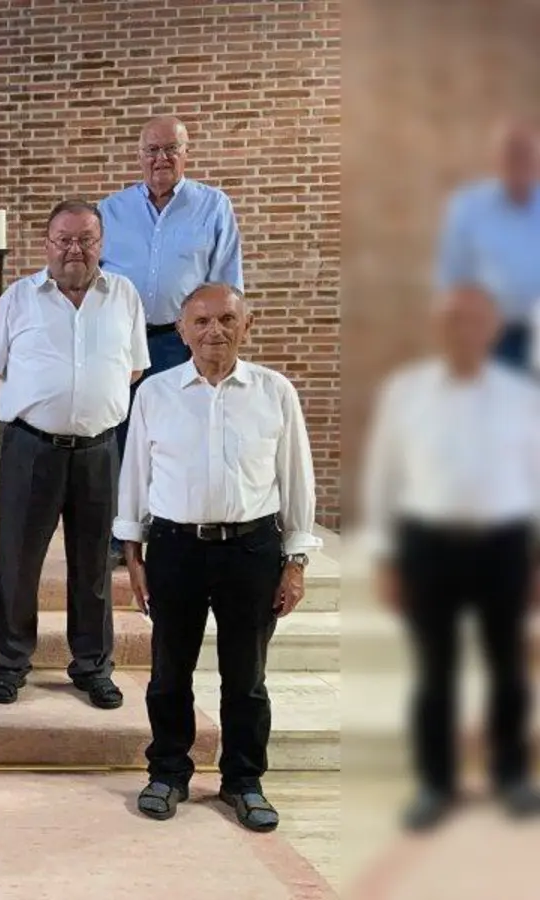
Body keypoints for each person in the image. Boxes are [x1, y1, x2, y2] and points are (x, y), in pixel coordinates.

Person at [115, 283, 321, 833]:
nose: (214, 331)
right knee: (168, 671)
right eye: (201, 321)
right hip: (176, 548)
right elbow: (136, 477)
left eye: (227, 319)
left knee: (246, 677)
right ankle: (168, 772)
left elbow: (296, 479)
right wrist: (133, 555)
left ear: (246, 325)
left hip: (252, 548)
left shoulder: (275, 392)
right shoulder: (156, 394)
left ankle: (244, 780)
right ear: (181, 330)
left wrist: (296, 560)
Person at [361, 285, 540, 831]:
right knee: (435, 672)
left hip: (504, 544)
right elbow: (383, 476)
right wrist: (385, 557)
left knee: (508, 669)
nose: (463, 330)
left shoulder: (520, 395)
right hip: (429, 544)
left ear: (492, 329)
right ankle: (436, 784)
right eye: (452, 321)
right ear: (437, 330)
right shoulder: (406, 392)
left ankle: (510, 775)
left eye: (473, 320)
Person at [0, 200, 148, 710]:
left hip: (98, 450)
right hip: (32, 448)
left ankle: (92, 665)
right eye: (64, 239)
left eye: (86, 239)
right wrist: (41, 401)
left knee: (93, 565)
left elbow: (133, 369)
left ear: (101, 244)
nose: (75, 249)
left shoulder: (124, 297)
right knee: (18, 563)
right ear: (46, 245)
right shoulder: (19, 298)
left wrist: (86, 404)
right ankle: (10, 663)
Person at [99, 116, 243, 560]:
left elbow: (226, 283)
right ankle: (118, 537)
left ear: (186, 152)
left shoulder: (213, 206)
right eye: (151, 150)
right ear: (139, 155)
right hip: (120, 342)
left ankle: (166, 531)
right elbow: (94, 277)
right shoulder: (112, 209)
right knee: (117, 438)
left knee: (176, 437)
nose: (160, 159)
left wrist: (218, 341)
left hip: (181, 342)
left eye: (170, 149)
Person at [437, 118, 540, 369]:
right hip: (491, 336)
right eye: (510, 152)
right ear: (495, 157)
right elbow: (453, 279)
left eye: (526, 151)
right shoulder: (468, 208)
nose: (519, 160)